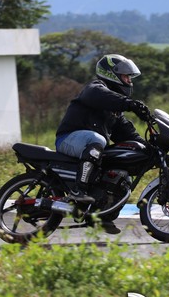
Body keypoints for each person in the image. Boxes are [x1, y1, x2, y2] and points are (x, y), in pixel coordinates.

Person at [55, 54, 151, 204]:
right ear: (111, 74)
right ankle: (78, 191)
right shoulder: (95, 89)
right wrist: (130, 104)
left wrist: (149, 147)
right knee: (98, 139)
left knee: (122, 169)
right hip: (67, 139)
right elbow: (101, 95)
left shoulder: (115, 111)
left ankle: (103, 210)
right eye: (126, 76)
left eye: (130, 77)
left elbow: (128, 134)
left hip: (89, 145)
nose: (129, 81)